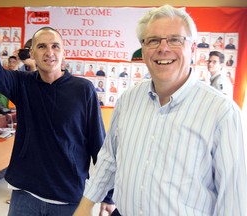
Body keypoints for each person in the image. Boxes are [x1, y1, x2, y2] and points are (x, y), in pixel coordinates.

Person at [74, 5, 246, 216]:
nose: (163, 48)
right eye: (153, 40)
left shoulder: (222, 113)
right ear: (143, 50)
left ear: (192, 49)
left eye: (175, 39)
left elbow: (233, 200)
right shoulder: (127, 101)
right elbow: (110, 159)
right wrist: (85, 206)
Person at [0, 17, 114, 216]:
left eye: (55, 46)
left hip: (69, 196)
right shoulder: (22, 83)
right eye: (42, 46)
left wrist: (108, 194)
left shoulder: (83, 89)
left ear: (63, 52)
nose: (49, 52)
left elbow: (98, 143)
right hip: (25, 194)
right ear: (32, 53)